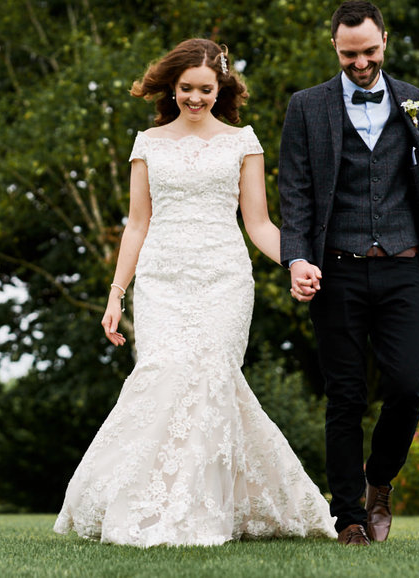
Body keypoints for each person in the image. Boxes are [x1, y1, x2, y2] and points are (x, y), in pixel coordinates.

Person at [53, 39, 336, 546]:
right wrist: (116, 295)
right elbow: (137, 224)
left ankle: (204, 512)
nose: (195, 98)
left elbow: (259, 223)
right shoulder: (148, 143)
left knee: (209, 377)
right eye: (186, 88)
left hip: (224, 278)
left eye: (205, 89)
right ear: (172, 86)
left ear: (220, 87)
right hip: (162, 281)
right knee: (163, 378)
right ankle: (148, 504)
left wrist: (296, 261)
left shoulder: (243, 142)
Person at [278, 0, 419, 546]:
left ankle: (379, 480)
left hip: (402, 268)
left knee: (407, 388)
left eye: (370, 52)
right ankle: (350, 517)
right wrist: (297, 259)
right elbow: (296, 194)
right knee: (346, 396)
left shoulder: (416, 104)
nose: (361, 63)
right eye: (349, 53)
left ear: (385, 38)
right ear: (334, 46)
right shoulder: (306, 107)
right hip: (336, 270)